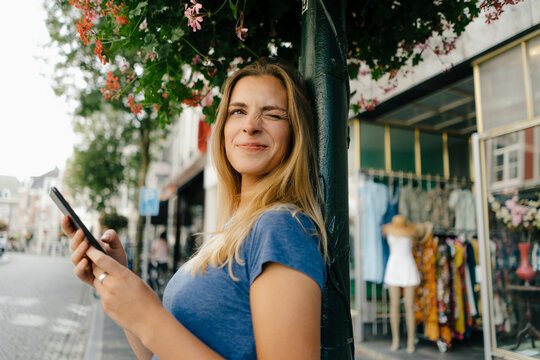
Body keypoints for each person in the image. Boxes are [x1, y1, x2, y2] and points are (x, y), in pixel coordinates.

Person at [61, 58, 328, 360]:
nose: (250, 125)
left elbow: (156, 330)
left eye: (273, 115)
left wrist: (150, 317)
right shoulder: (236, 228)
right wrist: (121, 278)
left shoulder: (281, 228)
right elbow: (154, 350)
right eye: (238, 111)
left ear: (296, 133)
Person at [381, 214, 430, 353]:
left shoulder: (411, 231)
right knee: (394, 305)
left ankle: (410, 340)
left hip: (408, 266)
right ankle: (395, 339)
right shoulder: (389, 231)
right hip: (394, 267)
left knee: (409, 306)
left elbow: (425, 230)